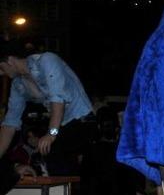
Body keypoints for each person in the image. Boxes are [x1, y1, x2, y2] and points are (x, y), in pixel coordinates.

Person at [0, 44, 94, 176]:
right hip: (61, 125)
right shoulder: (18, 85)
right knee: (40, 155)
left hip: (83, 121)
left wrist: (51, 134)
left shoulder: (47, 60)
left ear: (10, 60)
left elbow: (58, 100)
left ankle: (66, 191)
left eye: (1, 68)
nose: (1, 73)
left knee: (52, 151)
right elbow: (10, 124)